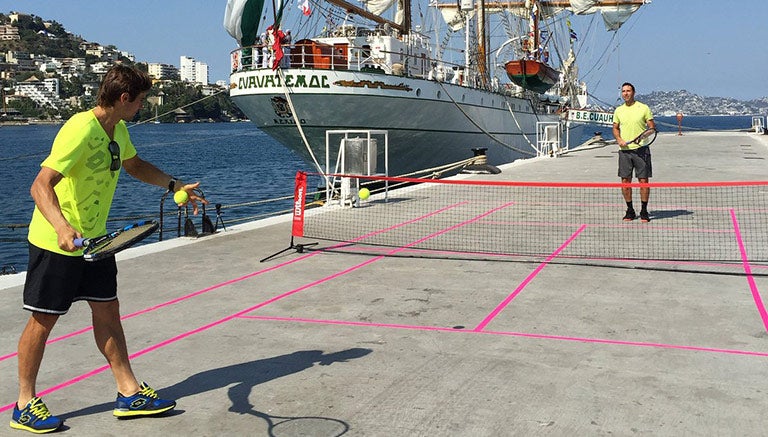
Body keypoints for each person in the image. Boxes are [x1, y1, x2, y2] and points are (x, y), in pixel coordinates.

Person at [11, 64, 207, 434]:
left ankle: (129, 391)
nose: (143, 107)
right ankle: (24, 403)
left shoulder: (116, 129)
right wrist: (62, 227)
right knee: (43, 320)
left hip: (96, 242)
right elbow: (40, 186)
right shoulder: (80, 129)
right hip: (57, 244)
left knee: (108, 312)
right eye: (141, 100)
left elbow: (133, 165)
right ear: (123, 99)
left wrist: (173, 183)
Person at [612, 82, 656, 222]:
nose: (626, 93)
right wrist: (619, 139)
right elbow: (615, 128)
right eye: (623, 91)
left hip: (641, 150)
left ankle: (644, 210)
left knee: (643, 181)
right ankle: (630, 210)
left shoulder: (643, 108)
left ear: (634, 92)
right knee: (625, 181)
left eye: (628, 91)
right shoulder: (618, 110)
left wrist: (642, 137)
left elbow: (651, 127)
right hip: (624, 151)